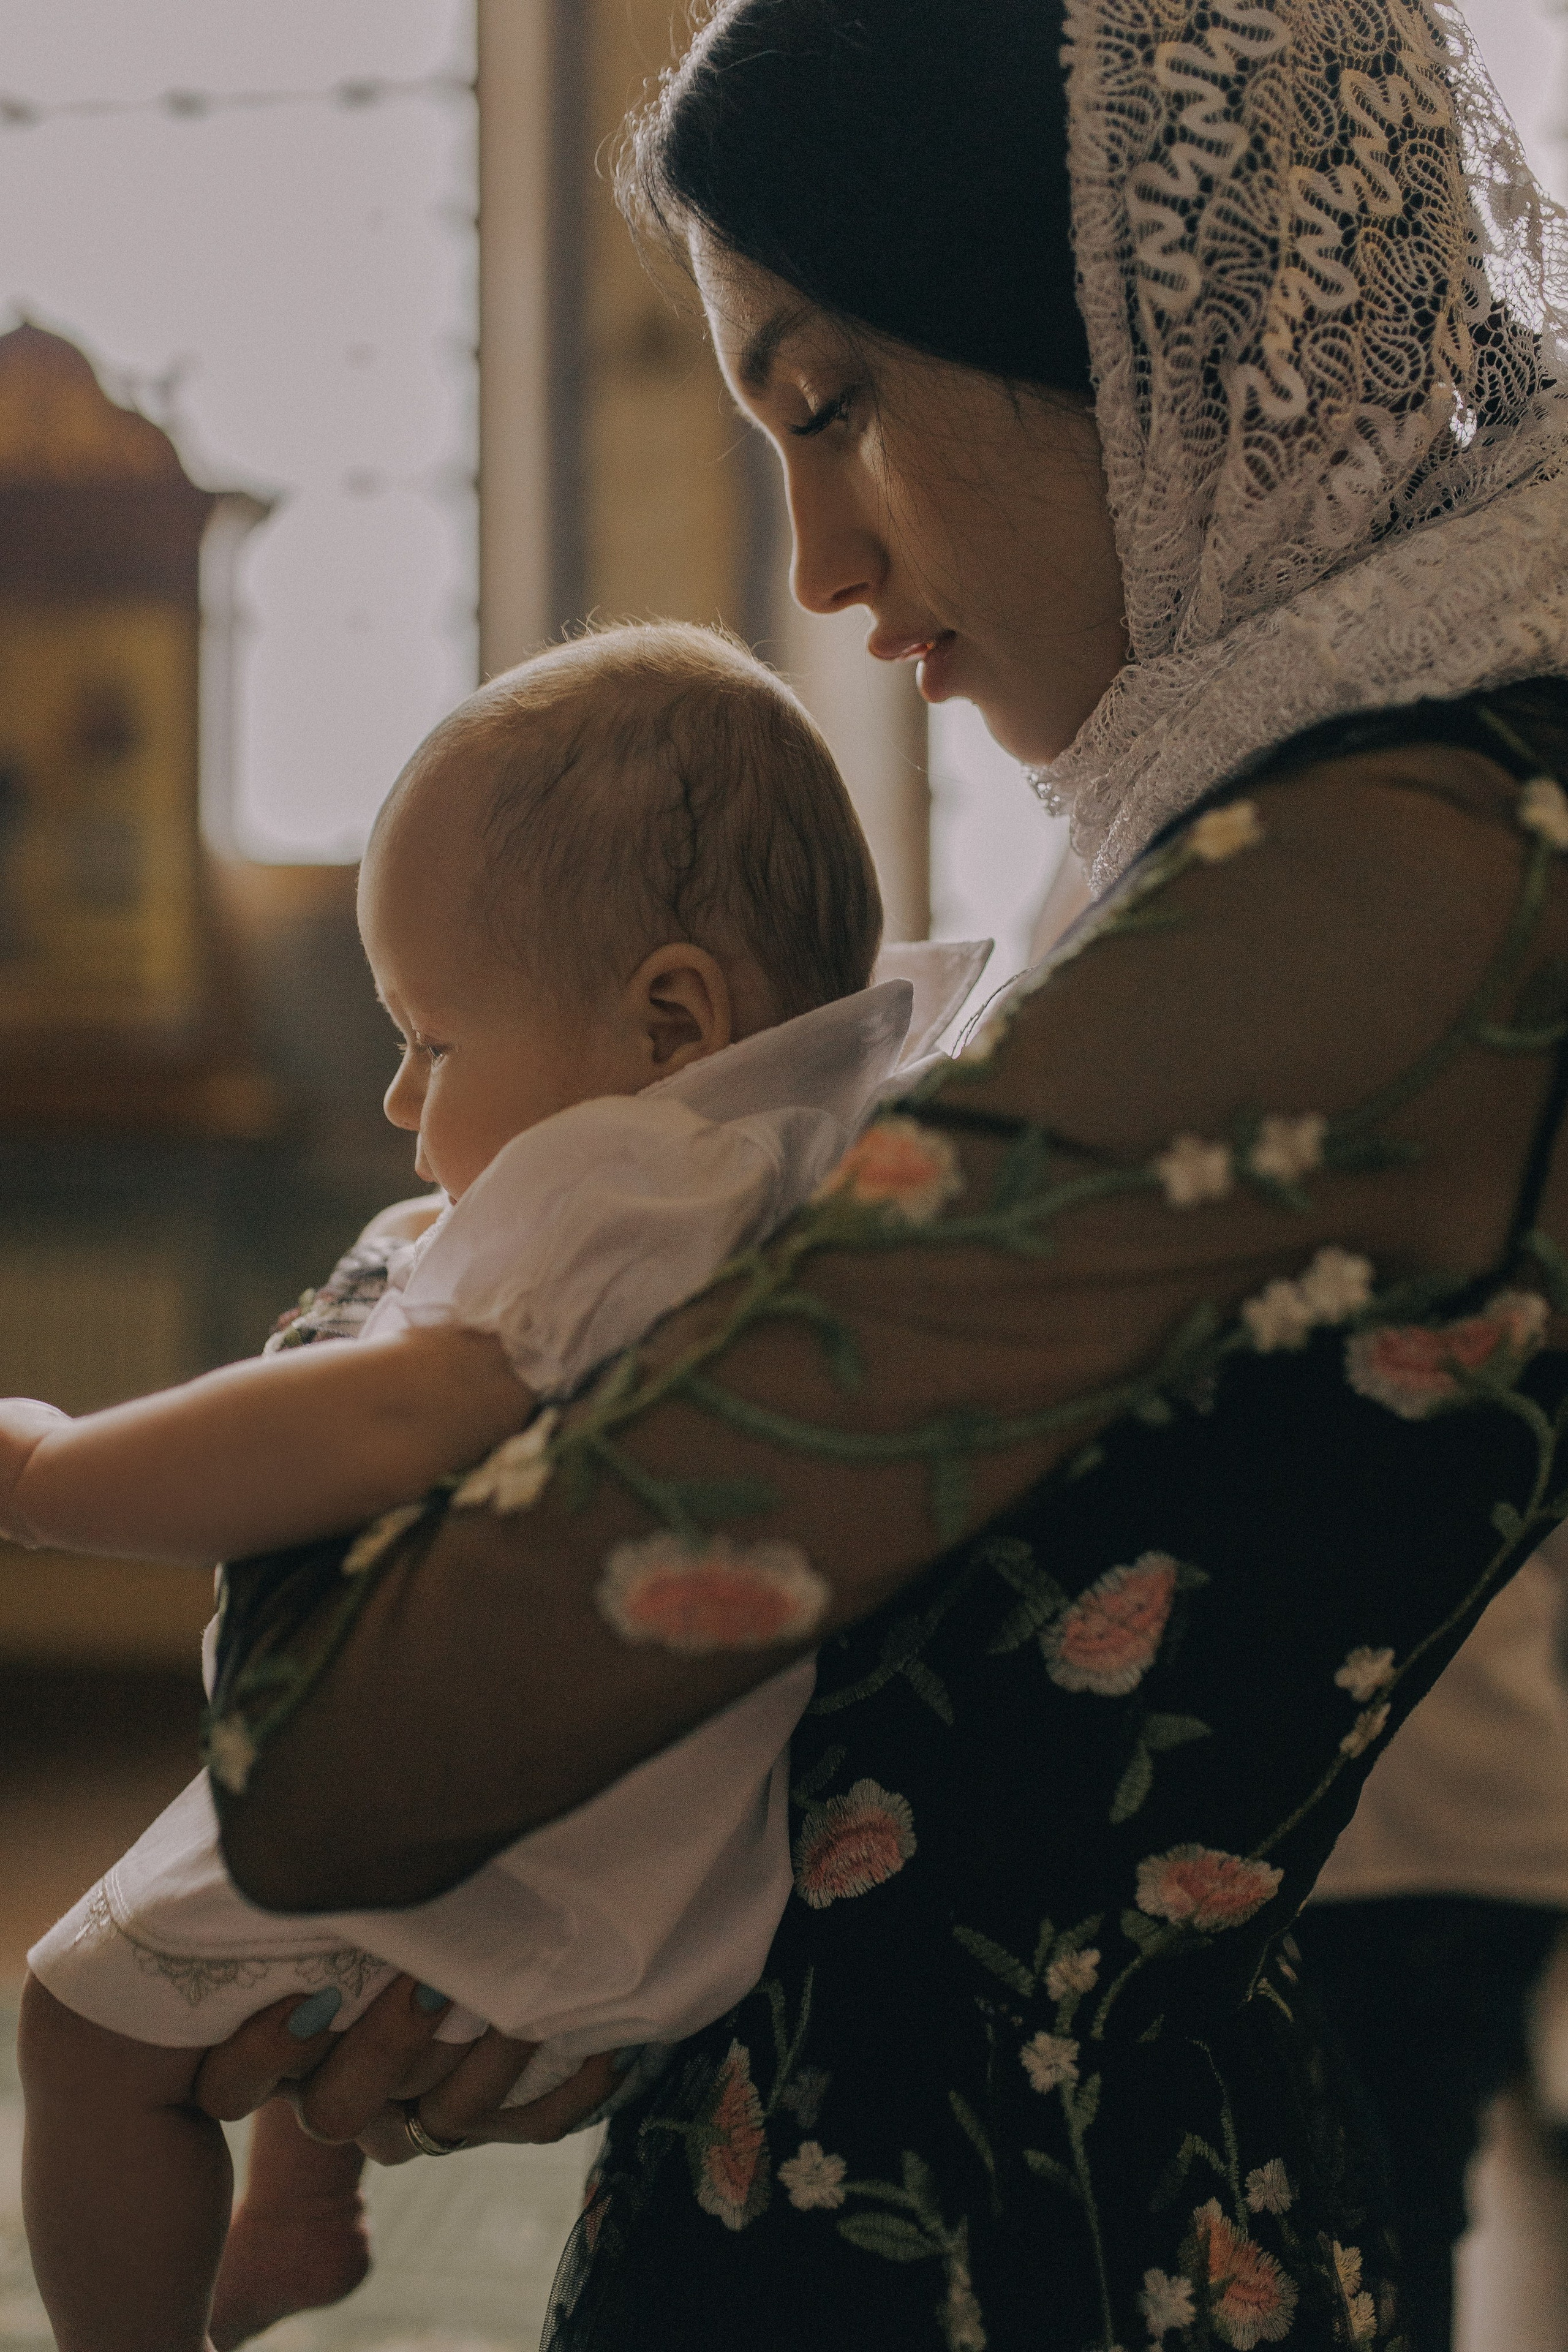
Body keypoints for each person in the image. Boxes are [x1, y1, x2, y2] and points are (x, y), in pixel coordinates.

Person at [159, 1, 1568, 2346]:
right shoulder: (1368, 803)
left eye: (827, 403)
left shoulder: (1366, 875)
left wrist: (400, 1322)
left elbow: (334, 1763)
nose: (811, 561)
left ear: (1118, 321)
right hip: (1028, 2161)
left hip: (1009, 2250)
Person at [6, 619, 986, 2351]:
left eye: (431, 1042)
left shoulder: (629, 1171)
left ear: (668, 1019)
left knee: (78, 2037)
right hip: (644, 1838)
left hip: (489, 1816)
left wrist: (58, 1472)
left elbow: (391, 1420)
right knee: (276, 1957)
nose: (400, 1098)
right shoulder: (801, 1129)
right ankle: (298, 2213)